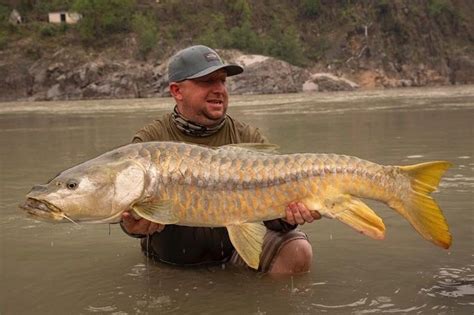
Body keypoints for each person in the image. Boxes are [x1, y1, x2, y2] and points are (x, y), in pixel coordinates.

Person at [120, 45, 321, 274]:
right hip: (172, 260)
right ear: (177, 91)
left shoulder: (247, 137)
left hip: (233, 254)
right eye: (207, 81)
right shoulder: (150, 142)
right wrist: (132, 226)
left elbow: (271, 218)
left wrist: (290, 215)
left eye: (222, 81)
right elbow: (127, 213)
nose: (219, 90)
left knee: (297, 250)